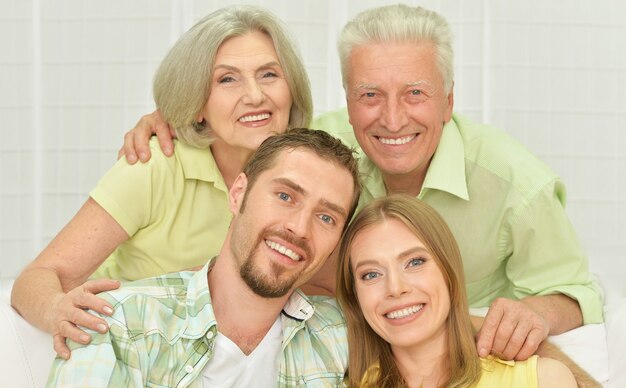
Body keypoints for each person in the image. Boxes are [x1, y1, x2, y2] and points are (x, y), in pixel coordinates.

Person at [121, 3, 603, 362]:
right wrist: (176, 117)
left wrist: (537, 315)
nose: (392, 120)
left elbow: (575, 292)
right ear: (348, 102)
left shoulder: (517, 187)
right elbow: (243, 133)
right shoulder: (318, 146)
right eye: (370, 95)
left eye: (415, 93)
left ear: (448, 102)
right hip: (338, 351)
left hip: (457, 354)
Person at [11, 5, 313, 360]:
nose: (255, 96)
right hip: (139, 356)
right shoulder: (154, 166)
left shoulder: (313, 168)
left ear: (292, 88)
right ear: (197, 103)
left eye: (269, 74)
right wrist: (57, 310)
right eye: (226, 79)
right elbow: (38, 277)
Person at [39, 129, 362, 388]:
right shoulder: (123, 322)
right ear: (238, 194)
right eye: (284, 196)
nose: (299, 227)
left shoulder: (338, 334)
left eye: (326, 218)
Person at [335, 194, 583, 388]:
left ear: (448, 271)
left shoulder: (544, 384)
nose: (395, 288)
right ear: (355, 297)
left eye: (415, 262)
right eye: (371, 274)